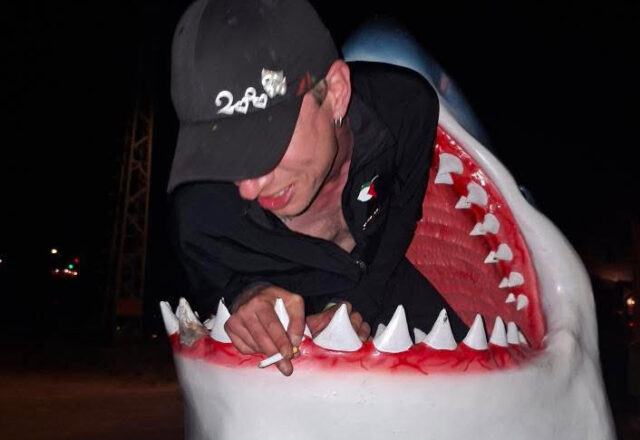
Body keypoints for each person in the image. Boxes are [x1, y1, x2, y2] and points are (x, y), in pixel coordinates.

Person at [168, 0, 467, 376]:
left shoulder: (405, 109)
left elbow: (401, 215)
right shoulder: (201, 214)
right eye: (221, 154)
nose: (247, 188)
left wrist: (358, 303)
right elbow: (217, 287)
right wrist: (245, 295)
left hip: (383, 277)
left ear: (336, 91)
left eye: (263, 145)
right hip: (285, 306)